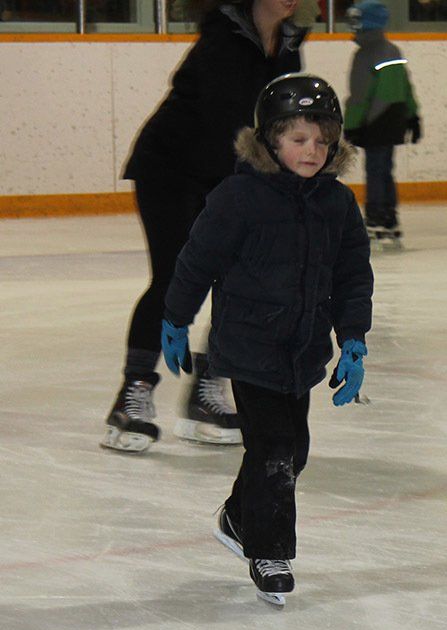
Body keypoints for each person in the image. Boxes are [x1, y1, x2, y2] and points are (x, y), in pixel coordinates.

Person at [160, 74, 374, 605]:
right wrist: (176, 317)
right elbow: (197, 261)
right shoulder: (239, 197)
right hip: (249, 347)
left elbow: (353, 276)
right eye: (299, 139)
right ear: (270, 141)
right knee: (274, 449)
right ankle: (268, 550)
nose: (312, 150)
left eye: (322, 140)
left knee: (292, 452)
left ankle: (239, 516)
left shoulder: (337, 204)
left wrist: (353, 339)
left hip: (302, 351)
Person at [105, 0, 315, 453]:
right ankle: (133, 391)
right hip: (171, 169)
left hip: (227, 175)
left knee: (241, 283)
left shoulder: (288, 44)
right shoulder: (224, 36)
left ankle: (207, 387)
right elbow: (227, 120)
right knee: (174, 277)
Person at [344, 0, 422, 246]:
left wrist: (351, 126)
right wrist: (413, 116)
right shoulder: (393, 50)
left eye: (356, 21)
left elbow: (359, 95)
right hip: (395, 119)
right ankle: (389, 218)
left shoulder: (364, 55)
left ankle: (376, 217)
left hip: (374, 121)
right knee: (385, 169)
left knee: (376, 170)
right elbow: (406, 86)